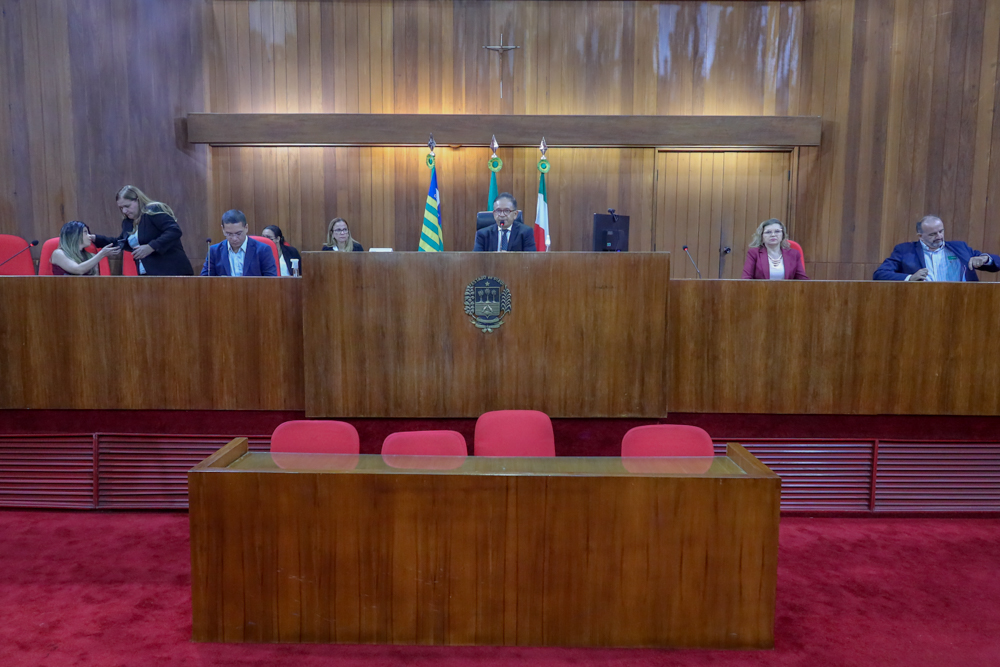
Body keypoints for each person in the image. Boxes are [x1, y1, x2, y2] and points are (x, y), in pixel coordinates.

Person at [93, 185, 194, 276]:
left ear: (138, 200)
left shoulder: (153, 210)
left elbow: (174, 231)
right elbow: (121, 243)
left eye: (127, 206)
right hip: (147, 274)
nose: (124, 211)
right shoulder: (128, 222)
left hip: (171, 272)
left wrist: (151, 247)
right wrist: (95, 238)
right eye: (121, 208)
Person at [873, 215, 1000, 281]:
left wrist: (985, 259)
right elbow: (880, 274)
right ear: (920, 236)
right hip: (921, 302)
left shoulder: (960, 247)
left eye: (941, 231)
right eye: (933, 234)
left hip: (963, 301)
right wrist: (910, 278)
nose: (939, 236)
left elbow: (997, 263)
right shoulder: (905, 251)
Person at [201, 210, 278, 276]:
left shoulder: (263, 250)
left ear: (246, 228)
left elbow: (271, 280)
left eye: (238, 233)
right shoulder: (214, 251)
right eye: (229, 234)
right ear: (223, 229)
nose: (234, 238)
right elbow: (205, 281)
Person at [741, 218, 809, 280]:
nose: (773, 235)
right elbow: (746, 278)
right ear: (761, 236)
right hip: (760, 289)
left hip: (787, 290)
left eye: (777, 231)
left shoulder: (794, 254)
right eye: (768, 232)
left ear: (783, 235)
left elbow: (802, 280)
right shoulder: (754, 253)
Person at [50, 221, 121, 275]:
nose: (90, 236)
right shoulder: (58, 253)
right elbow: (78, 270)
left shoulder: (91, 256)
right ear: (74, 235)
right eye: (85, 232)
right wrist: (101, 254)